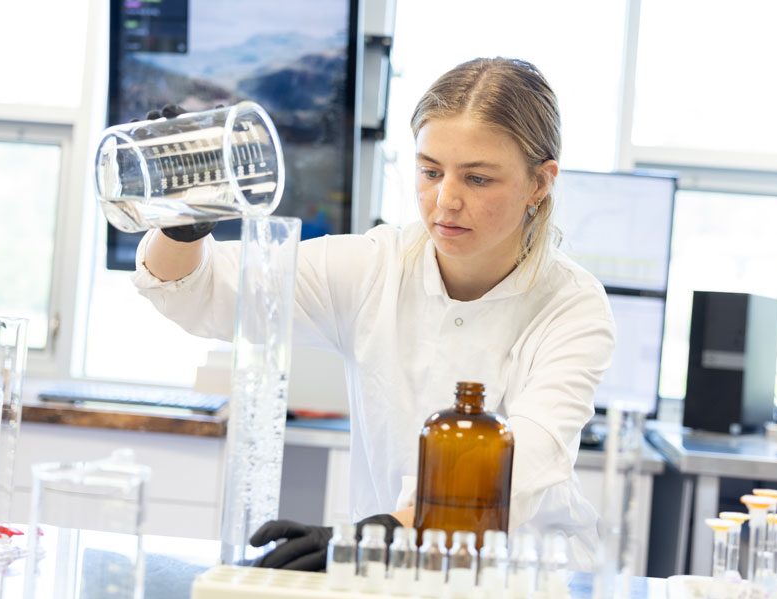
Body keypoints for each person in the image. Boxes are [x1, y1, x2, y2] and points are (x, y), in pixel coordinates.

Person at [131, 57, 616, 570]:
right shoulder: (374, 266)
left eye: (477, 179)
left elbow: (524, 467)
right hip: (385, 571)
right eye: (430, 171)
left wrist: (381, 535)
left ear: (540, 182)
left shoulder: (572, 307)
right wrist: (181, 225)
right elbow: (200, 294)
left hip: (525, 576)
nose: (444, 200)